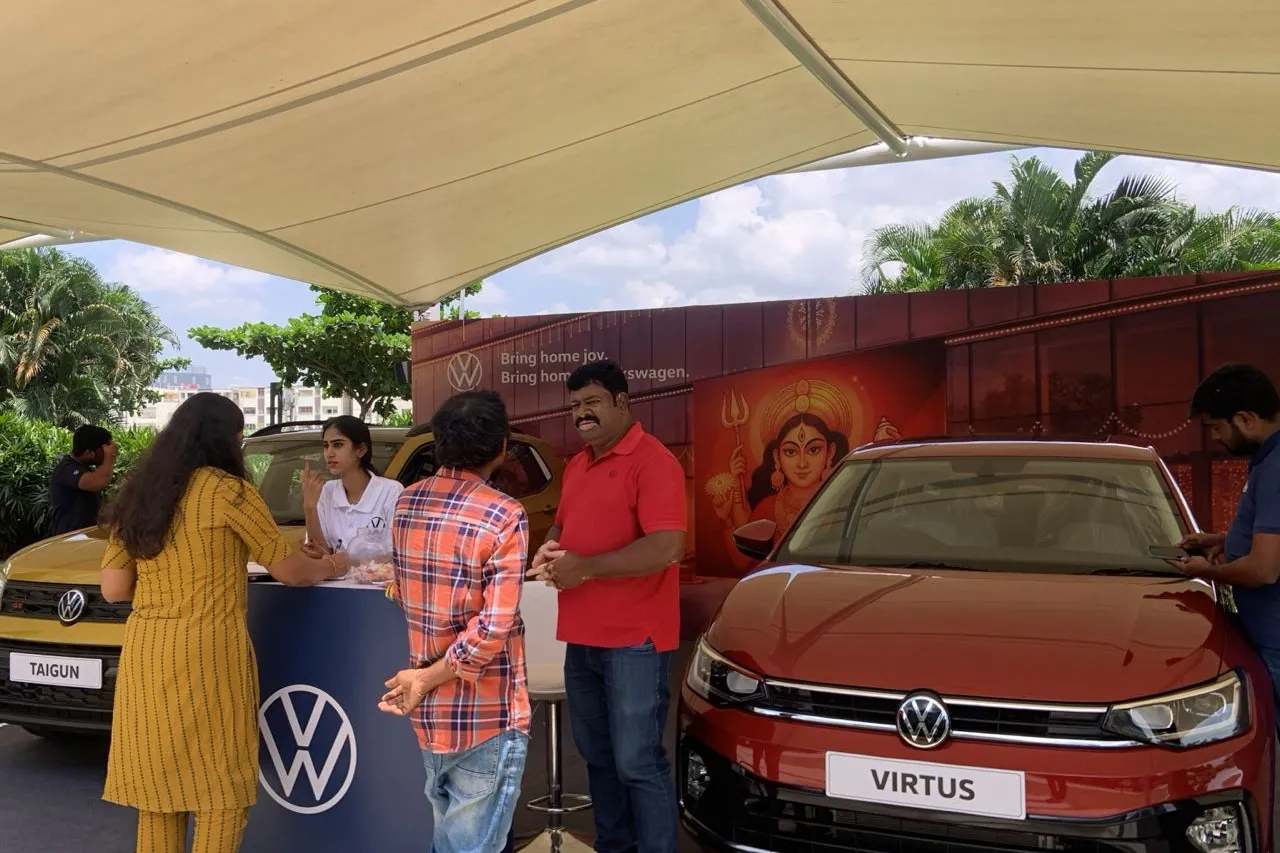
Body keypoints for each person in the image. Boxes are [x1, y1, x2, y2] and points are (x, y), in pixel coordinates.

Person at [97, 392, 345, 853]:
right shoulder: (229, 492)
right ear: (226, 439)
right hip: (208, 655)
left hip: (148, 654)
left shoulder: (139, 495)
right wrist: (335, 564)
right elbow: (290, 571)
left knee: (159, 794)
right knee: (221, 791)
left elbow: (113, 588)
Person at [528, 360, 687, 853]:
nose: (582, 413)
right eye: (575, 405)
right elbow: (563, 523)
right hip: (581, 635)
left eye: (592, 402)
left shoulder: (653, 461)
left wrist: (588, 568)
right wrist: (550, 546)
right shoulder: (578, 464)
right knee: (598, 758)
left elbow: (667, 547)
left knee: (637, 761)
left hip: (635, 639)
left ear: (622, 402)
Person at [378, 389, 530, 853]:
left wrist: (425, 678)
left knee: (448, 839)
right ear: (501, 447)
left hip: (430, 713)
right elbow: (492, 629)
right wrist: (428, 677)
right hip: (487, 712)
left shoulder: (407, 503)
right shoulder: (504, 514)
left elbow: (405, 592)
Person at [1177, 363, 1280, 710]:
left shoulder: (1276, 468)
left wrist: (1206, 571)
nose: (1216, 438)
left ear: (1245, 419)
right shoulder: (1268, 460)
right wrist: (1224, 542)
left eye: (1216, 428)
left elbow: (1264, 570)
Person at [300, 415, 404, 569]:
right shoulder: (327, 491)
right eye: (326, 446)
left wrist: (338, 559)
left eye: (338, 445)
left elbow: (394, 553)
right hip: (334, 582)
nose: (329, 453)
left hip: (375, 581)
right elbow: (320, 552)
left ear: (361, 450)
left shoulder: (391, 491)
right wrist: (309, 506)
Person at [49, 423, 117, 535]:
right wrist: (110, 457)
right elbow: (99, 482)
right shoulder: (67, 469)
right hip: (69, 538)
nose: (105, 454)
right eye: (103, 451)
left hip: (84, 536)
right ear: (89, 452)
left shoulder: (84, 468)